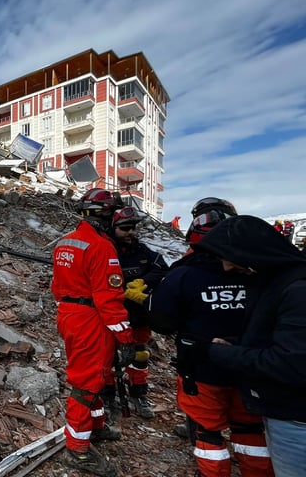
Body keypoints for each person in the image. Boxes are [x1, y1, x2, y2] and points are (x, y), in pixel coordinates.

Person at [125, 201, 273, 477]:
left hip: (202, 368)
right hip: (252, 365)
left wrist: (147, 302)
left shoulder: (185, 274)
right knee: (249, 429)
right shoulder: (262, 274)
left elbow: (163, 322)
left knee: (208, 432)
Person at [190, 215, 306, 476]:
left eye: (229, 258)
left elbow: (292, 364)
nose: (227, 268)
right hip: (285, 413)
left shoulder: (297, 290)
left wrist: (223, 353)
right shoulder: (278, 283)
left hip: (297, 420)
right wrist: (239, 344)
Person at [52, 188, 133, 477]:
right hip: (91, 319)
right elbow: (109, 299)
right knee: (87, 383)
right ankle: (77, 450)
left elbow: (57, 287)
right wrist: (125, 337)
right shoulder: (101, 247)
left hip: (70, 314)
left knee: (98, 375)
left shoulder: (66, 242)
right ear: (105, 216)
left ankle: (95, 428)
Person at [102, 206, 168, 420]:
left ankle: (139, 394)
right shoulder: (105, 250)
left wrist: (143, 282)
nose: (130, 232)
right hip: (112, 314)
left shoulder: (142, 251)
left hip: (138, 314)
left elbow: (161, 267)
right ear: (113, 228)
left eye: (133, 228)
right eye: (125, 228)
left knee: (140, 356)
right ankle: (109, 397)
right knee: (109, 357)